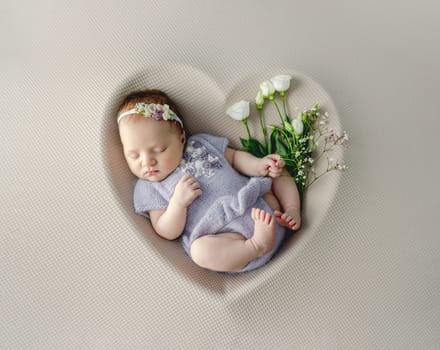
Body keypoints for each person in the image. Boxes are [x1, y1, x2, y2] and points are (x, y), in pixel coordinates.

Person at [117, 89, 301, 272]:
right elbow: (165, 230)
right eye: (133, 155)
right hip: (229, 237)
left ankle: (292, 210)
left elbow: (236, 158)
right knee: (200, 252)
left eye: (159, 150)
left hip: (261, 205)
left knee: (276, 169)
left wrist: (259, 165)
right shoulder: (148, 187)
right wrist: (177, 204)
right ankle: (256, 246)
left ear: (181, 138)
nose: (147, 161)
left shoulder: (201, 143)